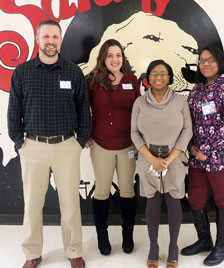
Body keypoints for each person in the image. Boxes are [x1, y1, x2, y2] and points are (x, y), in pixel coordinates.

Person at [7, 19, 91, 268]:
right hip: (32, 147)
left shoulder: (73, 72)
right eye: (46, 37)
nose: (51, 41)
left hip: (67, 146)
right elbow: (13, 112)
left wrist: (81, 140)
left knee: (70, 203)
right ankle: (32, 254)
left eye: (55, 37)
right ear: (37, 39)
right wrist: (18, 142)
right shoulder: (22, 72)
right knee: (32, 204)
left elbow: (83, 110)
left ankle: (74, 250)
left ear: (60, 39)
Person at [181, 45, 224, 266]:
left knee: (222, 199)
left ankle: (222, 247)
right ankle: (204, 241)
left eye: (210, 59)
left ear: (220, 61)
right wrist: (191, 146)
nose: (206, 63)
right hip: (197, 154)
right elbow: (188, 122)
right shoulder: (196, 89)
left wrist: (207, 150)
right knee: (195, 198)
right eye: (202, 60)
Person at [131, 60, 192, 268]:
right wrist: (152, 159)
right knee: (153, 202)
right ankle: (153, 246)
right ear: (148, 78)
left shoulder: (180, 101)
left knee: (174, 201)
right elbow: (134, 133)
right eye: (154, 74)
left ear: (169, 77)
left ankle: (173, 246)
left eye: (163, 73)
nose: (159, 77)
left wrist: (170, 158)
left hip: (173, 160)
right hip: (148, 159)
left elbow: (187, 131)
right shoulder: (139, 102)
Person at [85, 39, 140, 255]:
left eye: (118, 55)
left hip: (128, 145)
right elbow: (80, 107)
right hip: (101, 145)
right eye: (110, 55)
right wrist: (85, 133)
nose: (114, 59)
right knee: (102, 191)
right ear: (103, 58)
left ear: (123, 58)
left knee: (127, 190)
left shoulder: (131, 80)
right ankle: (102, 238)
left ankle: (128, 237)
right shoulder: (91, 81)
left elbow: (140, 110)